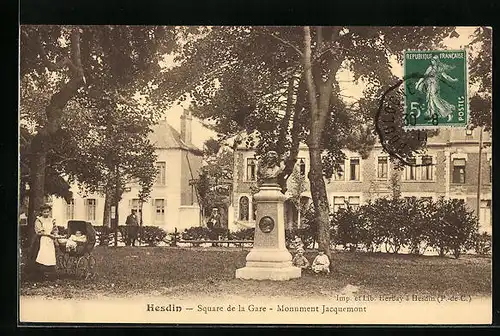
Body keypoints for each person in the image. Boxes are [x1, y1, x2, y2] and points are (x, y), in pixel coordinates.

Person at [415, 54, 459, 122]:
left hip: (433, 86)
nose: (432, 61)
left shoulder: (432, 68)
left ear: (436, 61)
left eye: (433, 60)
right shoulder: (439, 68)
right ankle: (433, 116)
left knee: (436, 101)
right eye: (431, 60)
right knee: (431, 100)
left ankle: (448, 113)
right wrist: (453, 80)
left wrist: (418, 84)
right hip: (432, 86)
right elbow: (446, 77)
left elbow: (424, 77)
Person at [29, 204, 59, 279]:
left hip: (50, 240)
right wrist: (48, 235)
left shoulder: (52, 220)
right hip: (42, 239)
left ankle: (50, 273)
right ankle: (39, 273)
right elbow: (39, 232)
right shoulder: (39, 220)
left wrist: (55, 235)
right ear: (41, 212)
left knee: (50, 255)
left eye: (48, 212)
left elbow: (55, 229)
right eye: (44, 212)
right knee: (42, 255)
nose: (46, 213)